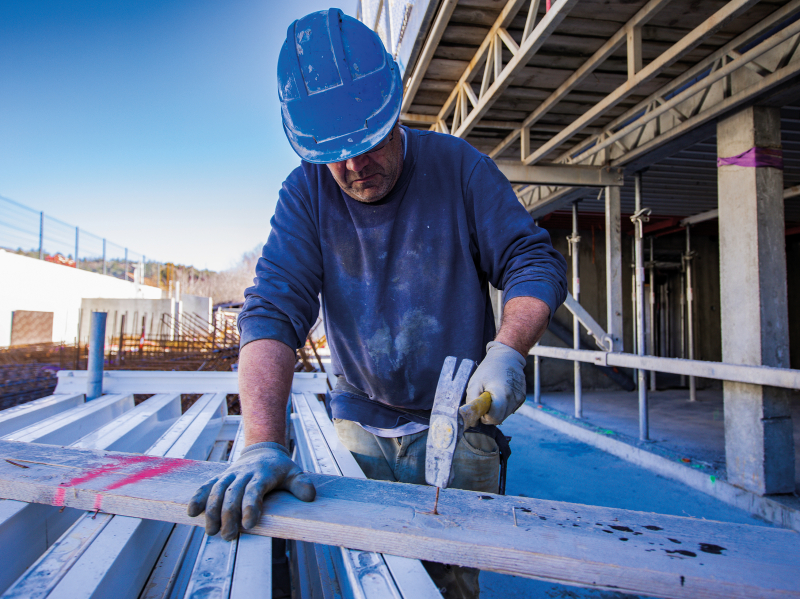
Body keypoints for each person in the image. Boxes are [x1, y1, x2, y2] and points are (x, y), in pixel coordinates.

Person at [188, 8, 567, 598]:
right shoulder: (307, 192)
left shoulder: (459, 167)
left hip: (462, 423)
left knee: (448, 585)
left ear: (394, 110)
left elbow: (531, 260)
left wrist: (508, 349)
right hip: (361, 419)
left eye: (366, 144)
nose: (352, 166)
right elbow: (272, 312)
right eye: (331, 154)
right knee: (368, 582)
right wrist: (262, 441)